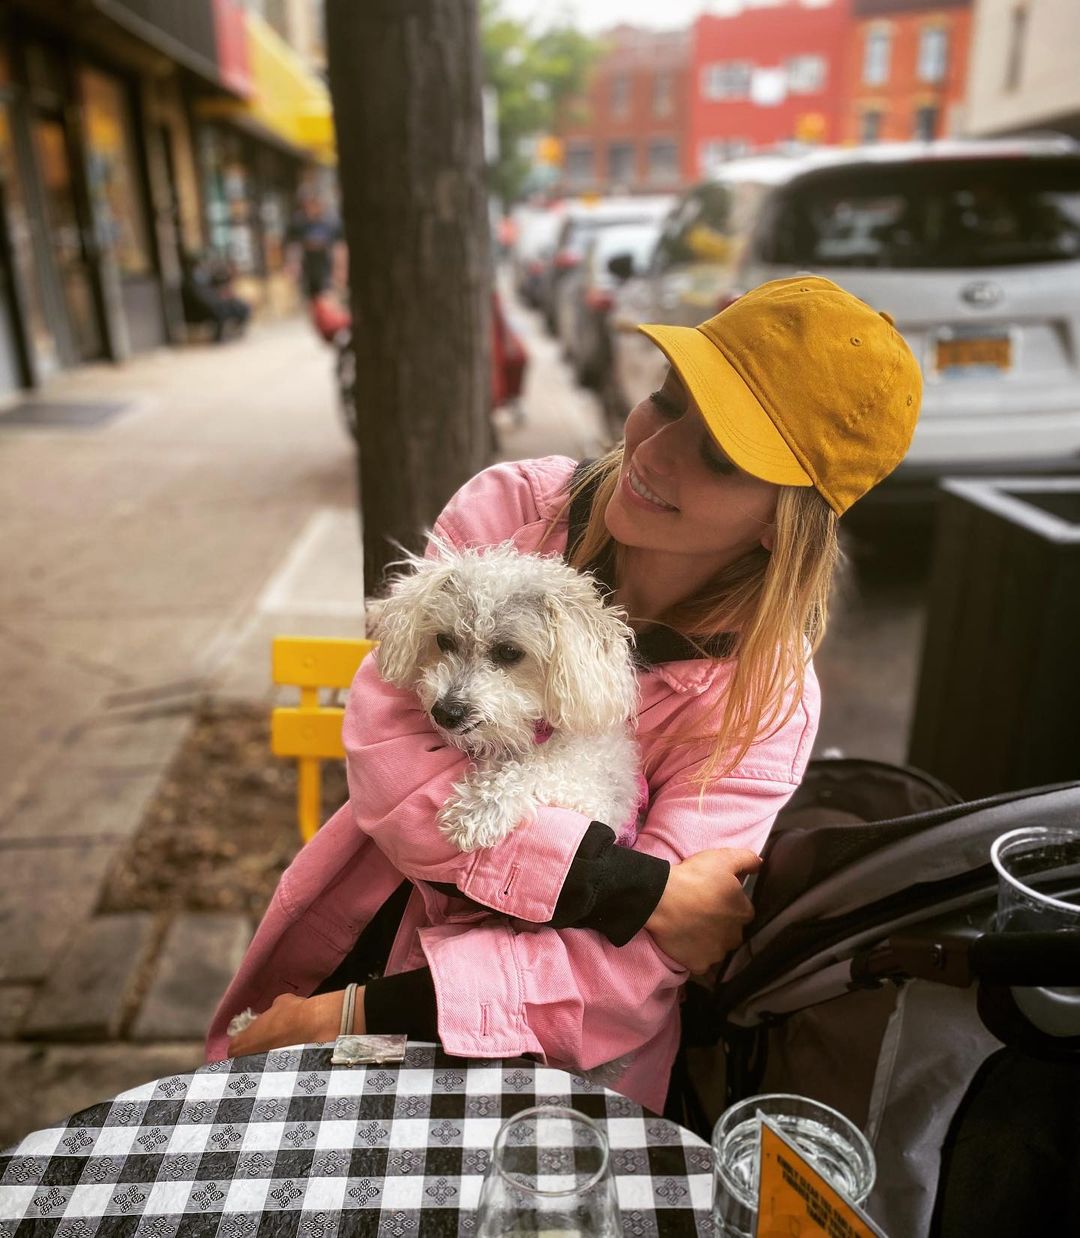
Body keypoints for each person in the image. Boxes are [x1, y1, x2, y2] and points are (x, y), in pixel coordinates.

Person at [208, 275, 923, 1114]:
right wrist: (630, 888)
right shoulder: (513, 507)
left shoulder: (764, 702)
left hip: (547, 1061)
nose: (654, 451)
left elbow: (631, 971)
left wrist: (349, 1017)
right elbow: (394, 760)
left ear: (782, 520)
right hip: (366, 930)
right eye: (666, 400)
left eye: (721, 456)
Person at [284, 190, 347, 302]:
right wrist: (292, 264)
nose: (311, 209)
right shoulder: (299, 222)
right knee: (309, 296)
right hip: (307, 263)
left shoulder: (332, 221)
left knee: (327, 295)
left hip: (326, 262)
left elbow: (340, 246)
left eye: (314, 204)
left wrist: (340, 268)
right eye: (308, 205)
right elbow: (293, 245)